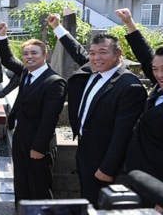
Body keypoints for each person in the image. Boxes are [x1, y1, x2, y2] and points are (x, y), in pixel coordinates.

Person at [47, 13, 147, 207]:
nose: (96, 58)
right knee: (87, 199)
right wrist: (58, 27)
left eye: (103, 52)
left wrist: (108, 167)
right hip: (85, 147)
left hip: (104, 155)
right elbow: (76, 50)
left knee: (99, 204)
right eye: (92, 53)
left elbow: (123, 133)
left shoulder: (128, 86)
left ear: (119, 55)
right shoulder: (94, 70)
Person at [0, 23, 67, 206]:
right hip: (20, 138)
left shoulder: (54, 82)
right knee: (21, 186)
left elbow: (50, 118)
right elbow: (8, 59)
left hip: (37, 144)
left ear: (45, 55)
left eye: (34, 53)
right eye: (26, 54)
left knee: (39, 189)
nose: (29, 57)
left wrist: (39, 147)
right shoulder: (27, 73)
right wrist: (2, 36)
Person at [115, 8, 163, 201]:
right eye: (156, 70)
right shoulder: (159, 86)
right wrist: (129, 23)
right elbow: (145, 55)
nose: (160, 75)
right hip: (139, 177)